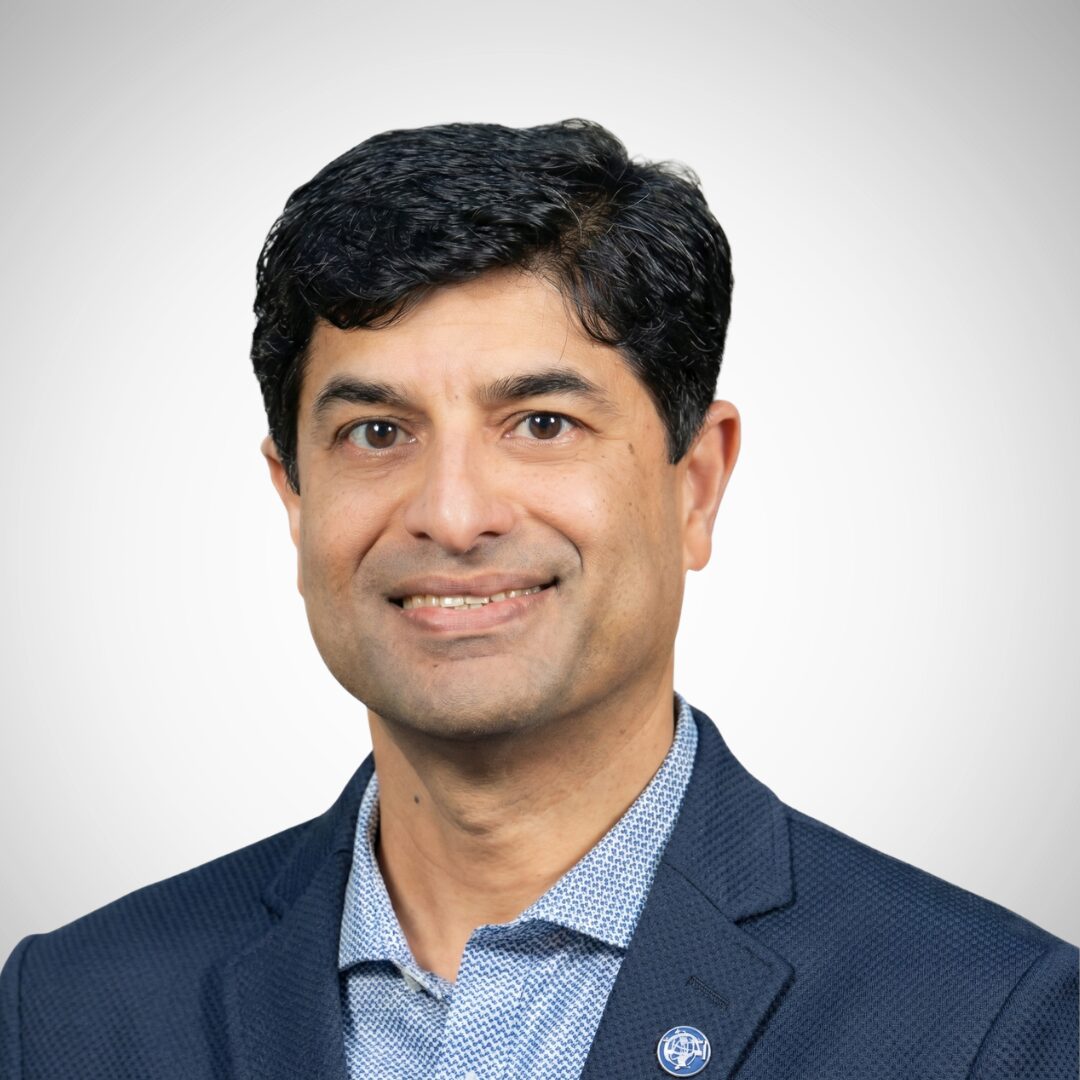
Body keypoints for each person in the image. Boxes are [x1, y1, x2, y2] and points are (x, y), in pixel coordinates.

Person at [1, 119, 1076, 1080]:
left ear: (697, 484)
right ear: (294, 495)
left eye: (542, 425)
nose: (453, 515)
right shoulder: (69, 1014)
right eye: (377, 433)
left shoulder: (987, 1023)